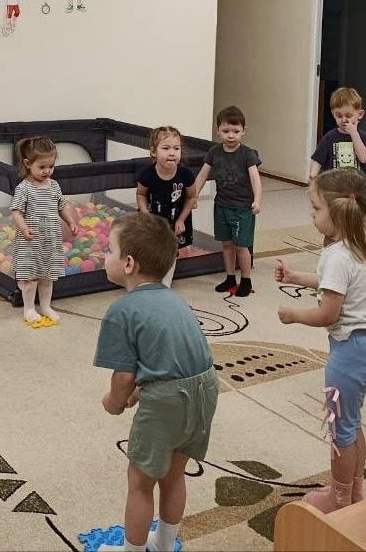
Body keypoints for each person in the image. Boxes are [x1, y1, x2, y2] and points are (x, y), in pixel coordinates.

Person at [94, 213, 218, 552]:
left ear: (128, 263)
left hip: (167, 400)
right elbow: (169, 355)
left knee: (140, 482)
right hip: (206, 387)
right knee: (174, 476)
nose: (105, 255)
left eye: (109, 249)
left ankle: (132, 550)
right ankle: (163, 544)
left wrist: (114, 402)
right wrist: (141, 388)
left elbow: (123, 376)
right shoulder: (174, 299)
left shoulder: (122, 310)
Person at [275, 168, 366, 513]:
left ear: (337, 212)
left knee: (340, 430)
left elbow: (327, 314)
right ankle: (353, 490)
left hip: (350, 352)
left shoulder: (338, 257)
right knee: (351, 422)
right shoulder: (356, 247)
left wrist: (294, 315)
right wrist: (296, 276)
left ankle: (338, 499)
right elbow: (330, 282)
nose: (312, 214)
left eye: (316, 208)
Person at [192, 105, 262, 297]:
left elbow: (255, 178)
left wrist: (257, 200)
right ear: (218, 131)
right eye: (226, 131)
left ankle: (246, 280)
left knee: (241, 245)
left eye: (236, 131)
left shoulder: (248, 154)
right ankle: (230, 277)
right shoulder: (214, 152)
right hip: (222, 205)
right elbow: (202, 175)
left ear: (243, 131)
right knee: (227, 244)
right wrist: (193, 195)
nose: (231, 135)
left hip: (242, 208)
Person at [10, 136, 78, 324]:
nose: (47, 171)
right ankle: (29, 308)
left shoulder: (54, 185)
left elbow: (61, 206)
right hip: (31, 241)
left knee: (47, 276)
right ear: (27, 164)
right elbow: (16, 212)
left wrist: (71, 221)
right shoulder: (24, 188)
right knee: (30, 277)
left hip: (50, 239)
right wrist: (24, 228)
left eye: (51, 166)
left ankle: (46, 306)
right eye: (42, 167)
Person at [136, 125, 197, 287]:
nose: (172, 153)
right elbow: (141, 194)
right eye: (166, 148)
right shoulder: (147, 174)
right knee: (150, 249)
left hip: (175, 219)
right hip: (153, 220)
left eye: (176, 148)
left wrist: (181, 219)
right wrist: (144, 213)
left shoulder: (185, 174)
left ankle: (165, 285)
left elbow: (191, 197)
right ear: (154, 152)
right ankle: (148, 281)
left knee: (170, 252)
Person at [309, 87, 366, 182]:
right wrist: (313, 177)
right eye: (339, 116)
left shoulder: (365, 137)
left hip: (356, 186)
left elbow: (364, 159)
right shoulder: (329, 137)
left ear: (360, 114)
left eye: (348, 116)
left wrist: (354, 133)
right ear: (333, 115)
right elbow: (318, 159)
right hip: (333, 185)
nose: (344, 120)